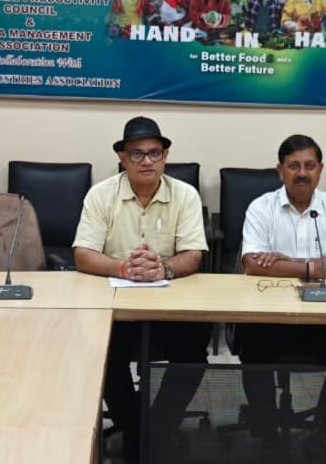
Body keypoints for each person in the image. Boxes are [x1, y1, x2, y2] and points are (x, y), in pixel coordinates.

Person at [72, 116, 210, 463]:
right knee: (106, 357)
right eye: (137, 154)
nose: (147, 161)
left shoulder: (185, 195)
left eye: (154, 153)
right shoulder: (101, 195)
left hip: (170, 306)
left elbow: (193, 254)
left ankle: (156, 429)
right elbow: (83, 254)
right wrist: (124, 268)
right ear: (122, 158)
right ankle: (135, 430)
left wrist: (163, 268)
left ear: (165, 156)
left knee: (193, 358)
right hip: (116, 306)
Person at [238, 134, 326, 440]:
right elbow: (252, 263)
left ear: (320, 169)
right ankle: (266, 431)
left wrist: (284, 261)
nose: (302, 173)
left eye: (309, 165)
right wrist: (316, 267)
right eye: (294, 166)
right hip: (270, 316)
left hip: (324, 317)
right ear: (280, 171)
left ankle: (324, 429)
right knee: (252, 349)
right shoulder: (261, 207)